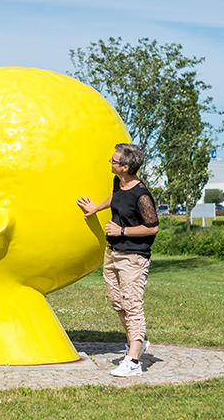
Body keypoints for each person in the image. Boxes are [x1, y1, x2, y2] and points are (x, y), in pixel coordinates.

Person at [76, 143, 159, 377]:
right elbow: (116, 197)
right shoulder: (119, 182)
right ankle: (137, 342)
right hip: (112, 252)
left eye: (113, 161)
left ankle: (133, 362)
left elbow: (152, 228)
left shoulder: (142, 195)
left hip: (133, 257)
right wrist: (96, 207)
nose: (110, 163)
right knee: (117, 302)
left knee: (132, 305)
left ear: (125, 167)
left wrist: (121, 231)